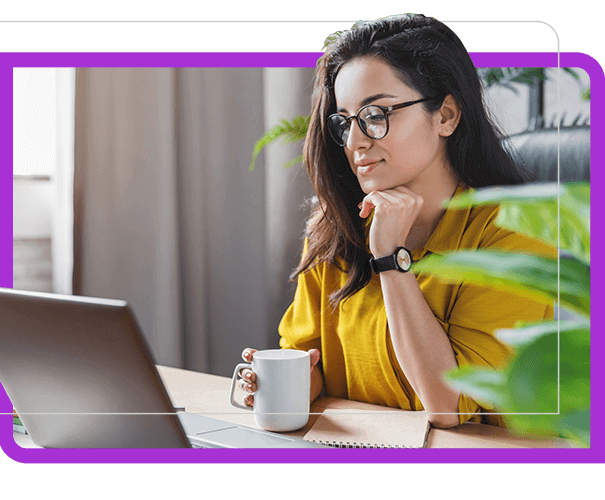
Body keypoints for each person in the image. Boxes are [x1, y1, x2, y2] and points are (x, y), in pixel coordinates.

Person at [238, 14, 555, 428]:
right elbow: (307, 356)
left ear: (446, 116)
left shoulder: (514, 235)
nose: (355, 142)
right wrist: (277, 382)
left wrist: (389, 257)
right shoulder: (332, 228)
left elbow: (448, 406)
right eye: (345, 121)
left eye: (375, 114)